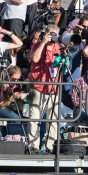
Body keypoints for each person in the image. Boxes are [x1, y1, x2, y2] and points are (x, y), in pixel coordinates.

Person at [28, 24, 62, 152]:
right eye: (50, 34)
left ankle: (50, 146)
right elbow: (35, 59)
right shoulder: (37, 45)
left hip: (55, 87)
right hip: (38, 86)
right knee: (35, 117)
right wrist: (43, 42)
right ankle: (33, 146)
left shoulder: (60, 47)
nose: (53, 37)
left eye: (55, 34)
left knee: (53, 120)